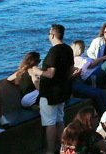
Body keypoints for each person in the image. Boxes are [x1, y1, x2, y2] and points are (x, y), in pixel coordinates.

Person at [39, 24, 75, 154]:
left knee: (50, 122)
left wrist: (37, 71)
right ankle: (63, 147)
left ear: (52, 35)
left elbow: (51, 73)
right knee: (60, 120)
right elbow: (71, 69)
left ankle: (50, 150)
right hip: (63, 90)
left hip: (50, 93)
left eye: (49, 33)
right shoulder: (68, 49)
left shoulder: (54, 51)